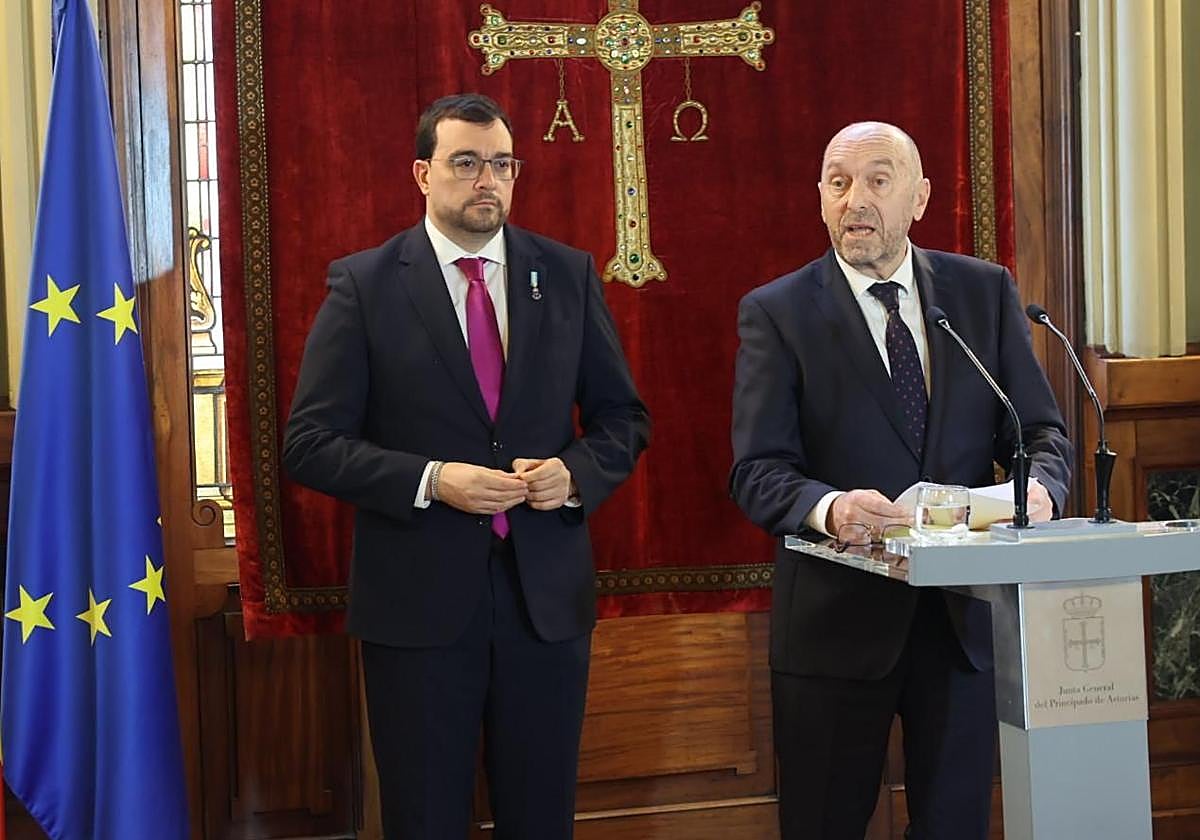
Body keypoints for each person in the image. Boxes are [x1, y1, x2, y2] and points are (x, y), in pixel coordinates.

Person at [283, 93, 650, 840]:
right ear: (423, 174)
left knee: (541, 817)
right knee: (424, 818)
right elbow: (311, 442)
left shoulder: (568, 274)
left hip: (542, 605)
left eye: (502, 165)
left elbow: (624, 421)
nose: (488, 181)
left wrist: (574, 474)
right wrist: (432, 481)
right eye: (467, 164)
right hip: (417, 608)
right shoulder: (366, 285)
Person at [729, 121, 1072, 839]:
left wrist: (1041, 488)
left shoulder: (981, 294)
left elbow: (1040, 433)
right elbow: (756, 472)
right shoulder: (778, 312)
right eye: (838, 182)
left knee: (954, 825)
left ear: (918, 197)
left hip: (958, 627)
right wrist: (830, 508)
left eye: (878, 181)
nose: (855, 200)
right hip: (835, 626)